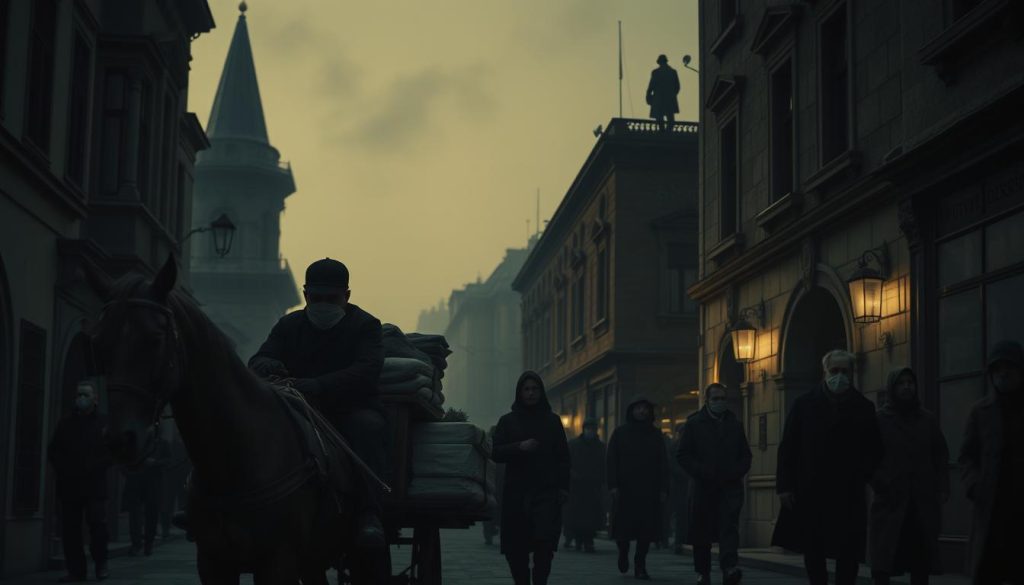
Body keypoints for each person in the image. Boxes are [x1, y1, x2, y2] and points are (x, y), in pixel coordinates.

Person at [248, 257, 388, 549]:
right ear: (305, 295)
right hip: (297, 408)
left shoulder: (365, 325)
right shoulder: (289, 325)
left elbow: (367, 369)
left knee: (369, 428)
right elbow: (259, 358)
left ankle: (369, 513)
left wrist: (319, 385)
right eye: (316, 298)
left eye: (331, 298)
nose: (323, 304)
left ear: (346, 296)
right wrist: (267, 363)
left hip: (350, 408)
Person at [772, 349, 883, 585]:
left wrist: (869, 477)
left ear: (852, 374)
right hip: (812, 489)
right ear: (825, 372)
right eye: (834, 371)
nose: (839, 376)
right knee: (814, 549)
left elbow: (873, 449)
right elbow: (788, 447)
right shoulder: (804, 405)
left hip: (848, 492)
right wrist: (784, 486)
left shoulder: (863, 407)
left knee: (849, 552)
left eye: (845, 371)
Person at [868, 367, 949, 585]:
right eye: (901, 383)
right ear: (892, 387)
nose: (906, 387)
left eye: (910, 383)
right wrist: (881, 482)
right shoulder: (880, 419)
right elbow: (868, 457)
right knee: (883, 561)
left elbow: (940, 454)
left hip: (920, 501)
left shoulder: (927, 419)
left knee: (920, 561)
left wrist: (941, 487)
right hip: (890, 500)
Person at [491, 371, 570, 585]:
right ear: (520, 393)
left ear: (541, 392)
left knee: (545, 544)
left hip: (546, 492)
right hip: (516, 493)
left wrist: (563, 488)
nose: (531, 393)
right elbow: (495, 452)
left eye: (535, 389)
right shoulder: (507, 421)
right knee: (516, 548)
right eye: (526, 389)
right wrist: (519, 447)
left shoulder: (553, 421)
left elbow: (563, 457)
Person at [960, 340, 1024, 585]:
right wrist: (974, 485)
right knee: (989, 571)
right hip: (992, 508)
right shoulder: (981, 412)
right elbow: (967, 455)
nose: (1003, 373)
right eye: (998, 368)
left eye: (1009, 367)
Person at [678, 383, 751, 585]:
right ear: (707, 400)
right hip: (703, 487)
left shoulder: (735, 425)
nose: (720, 402)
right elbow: (682, 455)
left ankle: (729, 568)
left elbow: (745, 455)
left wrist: (735, 472)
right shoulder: (694, 423)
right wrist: (701, 471)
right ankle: (703, 572)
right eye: (715, 399)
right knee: (701, 533)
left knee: (729, 530)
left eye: (723, 398)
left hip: (729, 487)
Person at [48, 381, 111, 582]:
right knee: (71, 531)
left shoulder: (104, 423)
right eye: (79, 394)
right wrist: (64, 469)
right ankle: (76, 571)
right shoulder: (65, 423)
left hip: (95, 485)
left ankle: (101, 563)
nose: (81, 398)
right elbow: (53, 450)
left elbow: (112, 452)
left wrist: (96, 466)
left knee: (98, 527)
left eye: (85, 395)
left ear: (95, 399)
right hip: (70, 485)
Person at [607, 396, 669, 581]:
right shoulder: (620, 433)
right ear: (631, 411)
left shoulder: (656, 435)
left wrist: (663, 488)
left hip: (649, 490)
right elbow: (611, 461)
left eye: (645, 408)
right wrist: (613, 485)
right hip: (625, 490)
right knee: (623, 530)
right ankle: (623, 552)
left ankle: (640, 564)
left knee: (646, 531)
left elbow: (663, 463)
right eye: (638, 408)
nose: (642, 411)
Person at [121, 434, 170, 556]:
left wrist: (156, 462)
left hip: (153, 482)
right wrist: (128, 473)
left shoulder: (162, 443)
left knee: (151, 513)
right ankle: (136, 544)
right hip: (135, 481)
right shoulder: (135, 441)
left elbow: (168, 460)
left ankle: (148, 544)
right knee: (135, 514)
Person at [563, 418, 606, 553]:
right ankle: (579, 539)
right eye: (588, 429)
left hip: (593, 485)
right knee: (577, 515)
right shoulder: (574, 445)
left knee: (590, 516)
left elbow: (604, 465)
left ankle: (588, 540)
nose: (590, 431)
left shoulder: (601, 447)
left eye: (592, 429)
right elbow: (566, 462)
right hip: (577, 486)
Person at [668, 423, 691, 555]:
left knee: (684, 514)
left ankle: (682, 539)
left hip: (685, 484)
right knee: (681, 514)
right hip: (679, 485)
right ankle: (679, 540)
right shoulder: (674, 446)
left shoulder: (679, 446)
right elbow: (671, 465)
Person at [645, 54, 680, 130]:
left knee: (660, 119)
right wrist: (672, 95)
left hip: (659, 99)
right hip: (669, 99)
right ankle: (667, 133)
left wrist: (648, 96)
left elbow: (651, 86)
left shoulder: (656, 72)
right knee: (670, 119)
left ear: (659, 62)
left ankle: (663, 133)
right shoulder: (673, 72)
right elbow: (677, 87)